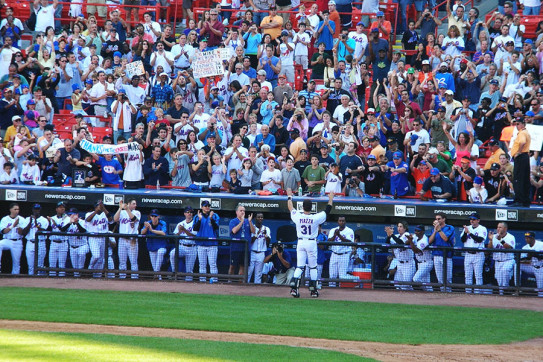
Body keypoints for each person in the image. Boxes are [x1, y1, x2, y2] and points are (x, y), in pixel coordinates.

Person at [287, 190, 335, 298]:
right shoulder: (315, 218)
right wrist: (331, 198)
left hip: (300, 242)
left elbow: (290, 207)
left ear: (303, 207)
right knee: (313, 267)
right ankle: (313, 291)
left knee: (300, 266)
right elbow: (327, 210)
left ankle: (294, 287)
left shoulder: (298, 216)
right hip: (311, 242)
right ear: (311, 207)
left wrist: (289, 196)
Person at [193, 199, 220, 282]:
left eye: (208, 206)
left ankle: (215, 281)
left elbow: (216, 227)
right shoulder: (197, 216)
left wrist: (211, 218)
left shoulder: (215, 216)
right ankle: (202, 281)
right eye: (205, 206)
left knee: (212, 264)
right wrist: (200, 220)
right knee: (202, 265)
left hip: (212, 244)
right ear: (202, 207)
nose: (207, 207)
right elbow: (195, 228)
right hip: (201, 244)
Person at [460, 212, 487, 294]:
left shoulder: (482, 228)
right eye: (471, 219)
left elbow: (480, 239)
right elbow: (462, 240)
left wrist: (469, 233)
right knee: (467, 275)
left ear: (478, 220)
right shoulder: (467, 228)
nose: (472, 221)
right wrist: (465, 232)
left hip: (478, 254)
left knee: (478, 276)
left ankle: (478, 293)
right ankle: (468, 292)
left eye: (474, 219)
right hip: (468, 254)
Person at [114, 198, 140, 279]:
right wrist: (120, 208)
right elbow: (115, 219)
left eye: (135, 203)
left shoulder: (137, 212)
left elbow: (134, 219)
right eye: (133, 203)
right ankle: (122, 278)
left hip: (132, 240)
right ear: (129, 204)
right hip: (122, 240)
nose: (135, 205)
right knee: (122, 262)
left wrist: (127, 209)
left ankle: (134, 278)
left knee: (133, 262)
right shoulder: (122, 212)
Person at [385, 221, 415, 291]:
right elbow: (386, 243)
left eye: (401, 226)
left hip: (408, 264)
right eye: (398, 226)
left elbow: (401, 243)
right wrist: (388, 235)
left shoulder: (407, 235)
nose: (399, 228)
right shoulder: (396, 236)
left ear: (405, 228)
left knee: (406, 285)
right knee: (397, 284)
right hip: (399, 263)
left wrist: (391, 235)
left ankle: (413, 297)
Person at [429, 212, 455, 292]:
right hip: (436, 255)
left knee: (448, 278)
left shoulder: (450, 228)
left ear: (444, 219)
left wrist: (439, 230)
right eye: (436, 219)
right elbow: (429, 241)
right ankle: (442, 294)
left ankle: (448, 294)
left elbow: (445, 238)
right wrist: (435, 231)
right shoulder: (434, 229)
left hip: (447, 256)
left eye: (439, 219)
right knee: (440, 278)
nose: (437, 220)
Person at [85, 200, 112, 277]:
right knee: (96, 255)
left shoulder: (105, 214)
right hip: (93, 238)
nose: (101, 207)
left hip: (103, 238)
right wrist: (95, 211)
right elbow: (88, 220)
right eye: (99, 206)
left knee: (101, 259)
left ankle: (97, 275)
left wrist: (104, 209)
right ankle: (90, 266)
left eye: (102, 206)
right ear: (95, 207)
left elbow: (111, 220)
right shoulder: (89, 213)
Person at [20, 203, 48, 275]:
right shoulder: (27, 219)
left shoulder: (44, 220)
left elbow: (43, 231)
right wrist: (30, 222)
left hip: (40, 243)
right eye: (35, 209)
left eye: (38, 209)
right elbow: (23, 232)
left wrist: (35, 222)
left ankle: (40, 282)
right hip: (30, 242)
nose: (36, 211)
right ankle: (31, 282)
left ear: (40, 210)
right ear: (32, 210)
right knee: (30, 266)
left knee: (40, 265)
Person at [170, 206, 197, 281]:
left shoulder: (195, 223)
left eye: (191, 212)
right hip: (182, 247)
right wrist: (179, 231)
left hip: (192, 247)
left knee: (189, 272)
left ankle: (187, 289)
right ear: (184, 213)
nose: (189, 214)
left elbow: (193, 235)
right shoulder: (180, 223)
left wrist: (184, 230)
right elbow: (175, 236)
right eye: (188, 212)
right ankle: (174, 272)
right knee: (172, 253)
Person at [488, 222, 515, 295]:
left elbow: (509, 248)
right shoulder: (494, 236)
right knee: (499, 280)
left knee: (505, 271)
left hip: (508, 260)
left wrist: (500, 240)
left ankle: (506, 289)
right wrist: (490, 240)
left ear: (505, 229)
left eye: (500, 227)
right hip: (498, 261)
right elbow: (489, 249)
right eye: (497, 227)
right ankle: (502, 295)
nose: (498, 229)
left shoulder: (510, 237)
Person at [229, 205, 255, 280]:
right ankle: (229, 282)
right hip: (236, 248)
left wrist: (250, 222)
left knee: (243, 267)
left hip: (245, 249)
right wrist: (242, 222)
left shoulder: (248, 221)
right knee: (232, 266)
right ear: (237, 212)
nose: (243, 212)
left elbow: (253, 231)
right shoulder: (233, 221)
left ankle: (240, 286)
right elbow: (234, 231)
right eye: (241, 211)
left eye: (244, 211)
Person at [328, 216, 355, 287]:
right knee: (332, 275)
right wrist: (335, 235)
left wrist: (339, 235)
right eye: (340, 221)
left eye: (343, 221)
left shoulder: (349, 230)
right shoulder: (333, 230)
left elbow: (349, 242)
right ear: (338, 221)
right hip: (334, 254)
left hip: (344, 254)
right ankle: (331, 291)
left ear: (345, 222)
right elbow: (329, 241)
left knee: (342, 276)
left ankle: (340, 294)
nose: (341, 222)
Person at [61, 207, 88, 277]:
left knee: (80, 264)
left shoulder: (82, 221)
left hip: (82, 245)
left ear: (77, 215)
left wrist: (77, 223)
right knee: (75, 267)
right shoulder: (67, 222)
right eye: (70, 214)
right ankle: (77, 281)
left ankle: (81, 275)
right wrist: (70, 223)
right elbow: (62, 230)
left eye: (73, 214)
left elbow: (83, 231)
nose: (72, 216)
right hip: (72, 247)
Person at [142, 209, 168, 280]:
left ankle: (156, 274)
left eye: (155, 216)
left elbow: (163, 233)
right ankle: (158, 281)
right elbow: (142, 232)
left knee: (160, 252)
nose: (154, 218)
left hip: (161, 246)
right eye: (152, 216)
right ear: (150, 216)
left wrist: (152, 230)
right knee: (156, 268)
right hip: (152, 247)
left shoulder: (162, 223)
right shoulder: (148, 223)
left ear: (158, 216)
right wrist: (146, 228)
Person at [510, 118, 531, 207]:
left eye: (518, 124)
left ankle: (519, 200)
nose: (517, 126)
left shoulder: (522, 133)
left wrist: (518, 152)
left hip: (521, 157)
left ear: (523, 124)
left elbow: (522, 142)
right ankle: (525, 200)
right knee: (524, 179)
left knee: (518, 179)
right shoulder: (525, 132)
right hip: (525, 157)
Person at [0, 203, 24, 274]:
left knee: (16, 262)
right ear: (10, 209)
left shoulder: (22, 219)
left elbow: (21, 233)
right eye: (15, 209)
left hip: (17, 241)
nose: (17, 211)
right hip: (7, 240)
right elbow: (3, 231)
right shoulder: (5, 219)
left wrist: (18, 225)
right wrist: (13, 225)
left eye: (18, 209)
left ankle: (15, 278)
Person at [247, 212, 270, 284]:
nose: (260, 218)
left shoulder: (266, 228)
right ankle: (244, 289)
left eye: (261, 217)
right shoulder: (252, 227)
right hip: (252, 253)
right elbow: (250, 241)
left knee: (258, 274)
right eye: (259, 217)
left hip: (261, 253)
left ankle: (256, 291)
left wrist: (266, 235)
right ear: (255, 218)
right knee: (248, 272)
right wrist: (257, 234)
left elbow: (268, 243)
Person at [47, 201, 69, 277]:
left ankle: (61, 283)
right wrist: (49, 223)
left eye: (63, 207)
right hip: (53, 242)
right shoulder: (52, 218)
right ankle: (51, 281)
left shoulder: (67, 219)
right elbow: (48, 230)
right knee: (52, 263)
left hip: (63, 242)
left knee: (62, 264)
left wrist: (55, 223)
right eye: (60, 207)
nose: (62, 208)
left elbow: (63, 229)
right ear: (56, 209)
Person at [410, 225, 433, 292]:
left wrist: (411, 241)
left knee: (416, 279)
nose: (416, 232)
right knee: (426, 282)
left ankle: (426, 291)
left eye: (418, 231)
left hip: (427, 262)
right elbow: (406, 242)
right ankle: (430, 293)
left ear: (423, 232)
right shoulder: (415, 236)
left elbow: (416, 251)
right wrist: (410, 238)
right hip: (420, 263)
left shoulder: (424, 240)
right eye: (415, 231)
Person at [521, 231, 543, 297]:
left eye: (529, 238)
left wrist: (534, 255)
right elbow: (522, 260)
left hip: (540, 268)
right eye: (526, 238)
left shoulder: (541, 245)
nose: (527, 239)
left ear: (533, 238)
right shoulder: (525, 247)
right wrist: (528, 258)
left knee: (540, 289)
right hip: (530, 267)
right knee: (517, 266)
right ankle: (518, 286)